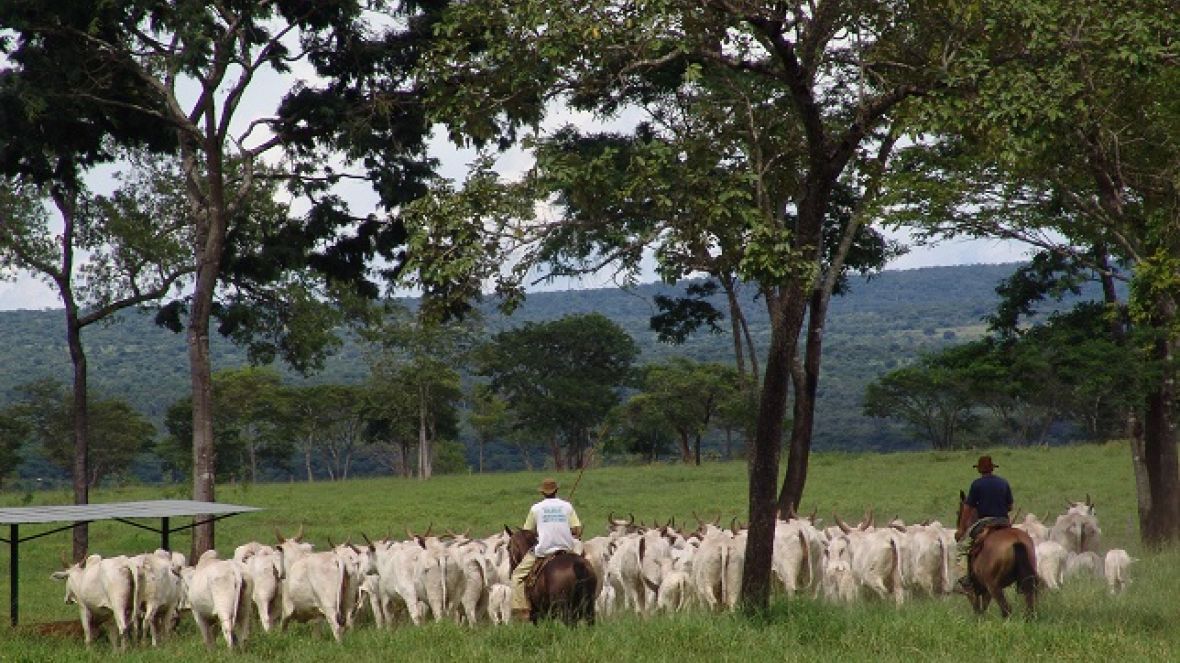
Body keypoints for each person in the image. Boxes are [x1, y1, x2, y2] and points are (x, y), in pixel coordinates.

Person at [510, 477, 583, 622]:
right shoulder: (567, 506)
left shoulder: (536, 508)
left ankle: (523, 609)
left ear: (543, 493)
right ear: (556, 490)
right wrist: (566, 530)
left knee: (517, 576)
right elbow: (578, 531)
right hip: (567, 548)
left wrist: (542, 531)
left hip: (544, 550)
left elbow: (527, 533)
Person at [955, 455, 1014, 594]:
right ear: (992, 468)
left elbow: (968, 508)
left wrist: (962, 529)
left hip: (985, 522)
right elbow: (1010, 506)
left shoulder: (977, 484)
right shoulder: (1003, 483)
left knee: (961, 549)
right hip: (1004, 522)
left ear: (979, 470)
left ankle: (966, 580)